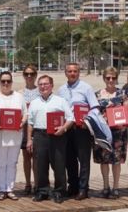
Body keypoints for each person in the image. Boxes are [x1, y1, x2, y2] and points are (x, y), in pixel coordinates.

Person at [27, 75, 74, 203]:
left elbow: (71, 118)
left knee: (58, 165)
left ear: (52, 86)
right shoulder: (34, 103)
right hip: (39, 135)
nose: (43, 87)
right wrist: (29, 139)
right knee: (40, 165)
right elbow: (30, 123)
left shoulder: (60, 101)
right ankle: (42, 191)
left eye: (46, 84)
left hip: (57, 136)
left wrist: (63, 128)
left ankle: (59, 191)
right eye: (41, 84)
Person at [58, 62, 98, 200]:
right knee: (69, 160)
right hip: (67, 128)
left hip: (82, 129)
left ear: (79, 73)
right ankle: (73, 186)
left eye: (75, 71)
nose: (72, 73)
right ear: (65, 73)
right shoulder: (61, 89)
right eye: (69, 71)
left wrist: (88, 121)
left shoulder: (86, 88)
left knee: (84, 160)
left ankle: (83, 189)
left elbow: (94, 107)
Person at [0, 71, 26, 201]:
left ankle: (10, 189)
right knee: (0, 163)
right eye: (3, 81)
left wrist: (21, 123)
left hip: (15, 136)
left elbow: (25, 114)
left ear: (12, 82)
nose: (6, 84)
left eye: (8, 81)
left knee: (12, 163)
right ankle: (1, 189)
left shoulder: (19, 96)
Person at [94, 67, 125, 199]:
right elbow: (93, 112)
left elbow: (126, 109)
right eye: (108, 78)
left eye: (113, 77)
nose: (110, 80)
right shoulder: (97, 94)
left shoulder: (122, 94)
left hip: (119, 131)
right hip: (102, 132)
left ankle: (116, 187)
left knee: (116, 161)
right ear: (104, 79)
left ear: (116, 78)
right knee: (104, 160)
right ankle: (106, 187)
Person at [20, 64, 40, 195]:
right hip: (24, 128)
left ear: (35, 76)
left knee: (37, 158)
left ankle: (38, 183)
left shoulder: (41, 90)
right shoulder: (20, 93)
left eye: (31, 74)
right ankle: (28, 183)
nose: (29, 76)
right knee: (26, 157)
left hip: (38, 127)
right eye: (26, 74)